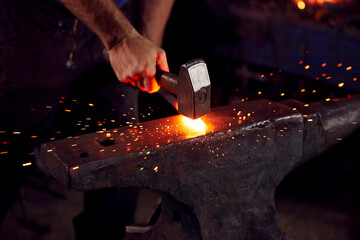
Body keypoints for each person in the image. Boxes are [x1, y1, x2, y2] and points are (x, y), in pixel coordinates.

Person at [0, 0, 174, 238]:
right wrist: (120, 39)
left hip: (120, 21)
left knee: (122, 162)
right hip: (36, 23)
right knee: (6, 158)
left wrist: (145, 39)